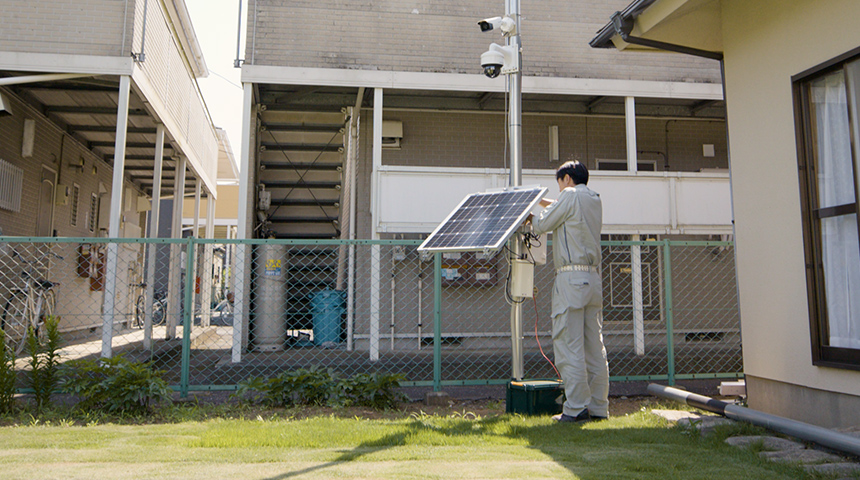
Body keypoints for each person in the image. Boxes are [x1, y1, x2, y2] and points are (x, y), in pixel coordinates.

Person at [529, 160, 609, 423]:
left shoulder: (570, 196)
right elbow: (564, 209)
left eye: (559, 183)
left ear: (566, 179)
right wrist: (545, 202)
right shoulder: (593, 199)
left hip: (570, 279)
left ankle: (575, 408)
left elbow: (542, 226)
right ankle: (599, 408)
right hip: (592, 279)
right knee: (594, 347)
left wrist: (529, 215)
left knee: (569, 344)